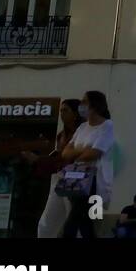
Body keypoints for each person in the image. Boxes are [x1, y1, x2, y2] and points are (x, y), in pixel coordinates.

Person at [60, 90, 116, 239]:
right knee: (85, 223)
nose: (81, 105)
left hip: (93, 181)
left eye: (84, 101)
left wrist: (77, 154)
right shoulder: (82, 128)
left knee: (73, 222)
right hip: (75, 179)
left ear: (95, 105)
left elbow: (94, 153)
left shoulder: (107, 126)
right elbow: (65, 153)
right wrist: (83, 149)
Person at [26, 98, 81, 238]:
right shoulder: (61, 135)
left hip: (75, 178)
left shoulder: (82, 133)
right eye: (61, 110)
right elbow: (59, 159)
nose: (61, 113)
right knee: (47, 223)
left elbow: (68, 158)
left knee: (75, 221)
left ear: (75, 114)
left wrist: (39, 160)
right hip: (59, 177)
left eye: (65, 110)